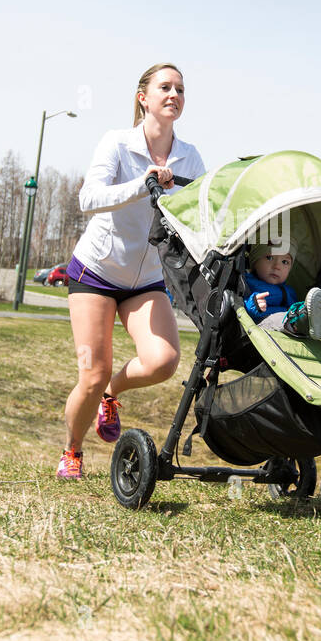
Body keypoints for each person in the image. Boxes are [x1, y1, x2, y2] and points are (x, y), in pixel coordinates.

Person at [58, 63, 206, 479]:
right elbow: (88, 199)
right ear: (143, 97)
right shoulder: (118, 143)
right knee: (92, 371)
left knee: (163, 361)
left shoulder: (189, 155)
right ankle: (72, 451)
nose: (174, 94)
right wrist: (144, 184)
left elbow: (202, 211)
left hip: (145, 279)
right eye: (165, 87)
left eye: (180, 88)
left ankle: (113, 393)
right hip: (96, 271)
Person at [244, 240, 321, 353]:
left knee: (302, 314)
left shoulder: (289, 290)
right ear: (254, 261)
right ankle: (304, 321)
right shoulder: (249, 282)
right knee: (282, 318)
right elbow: (240, 304)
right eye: (269, 258)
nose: (277, 266)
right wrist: (253, 304)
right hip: (265, 320)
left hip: (289, 319)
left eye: (285, 262)